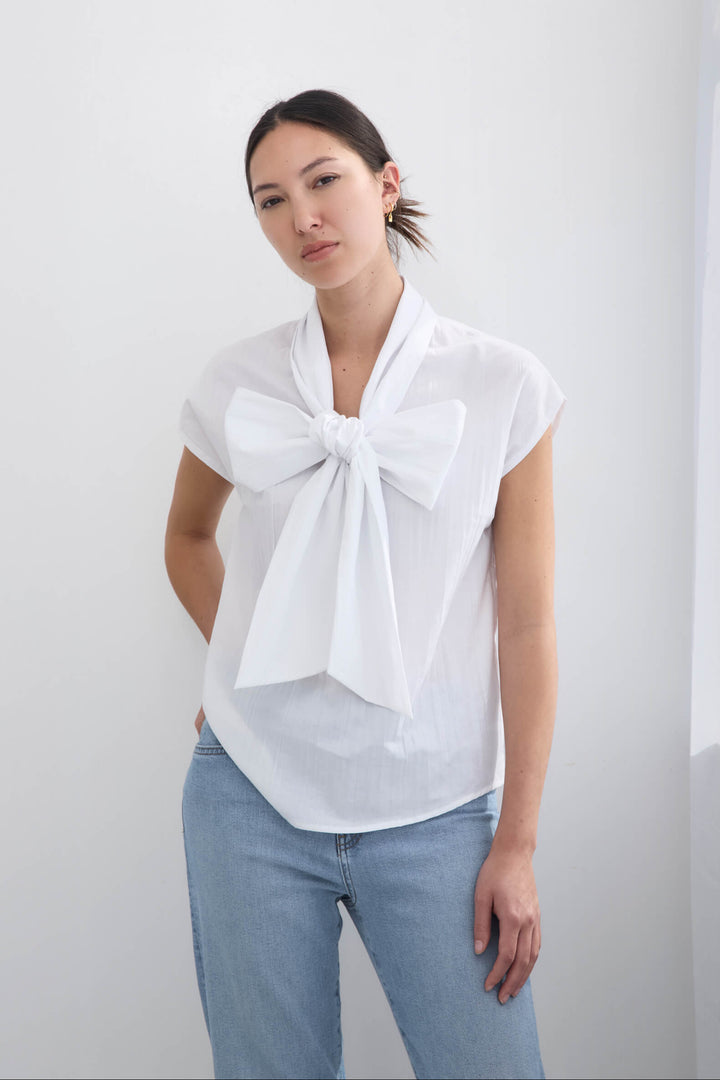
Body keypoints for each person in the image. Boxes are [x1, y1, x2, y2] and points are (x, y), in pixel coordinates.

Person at [165, 88, 566, 1080]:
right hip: (249, 795)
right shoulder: (236, 383)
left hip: (434, 807)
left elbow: (525, 624)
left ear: (386, 187)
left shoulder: (500, 384)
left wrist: (515, 845)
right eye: (268, 200)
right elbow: (184, 537)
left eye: (324, 180)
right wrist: (241, 673)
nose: (300, 215)